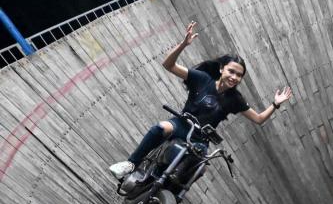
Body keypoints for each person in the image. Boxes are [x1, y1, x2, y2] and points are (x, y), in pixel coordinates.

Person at [109, 21, 292, 179]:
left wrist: (275, 104)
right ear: (221, 69)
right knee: (160, 128)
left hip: (201, 139)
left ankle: (175, 197)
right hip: (181, 124)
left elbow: (258, 119)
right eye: (231, 71)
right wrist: (183, 45)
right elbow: (168, 65)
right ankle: (131, 164)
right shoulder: (202, 79)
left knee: (200, 168)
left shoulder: (235, 99)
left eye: (239, 75)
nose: (234, 77)